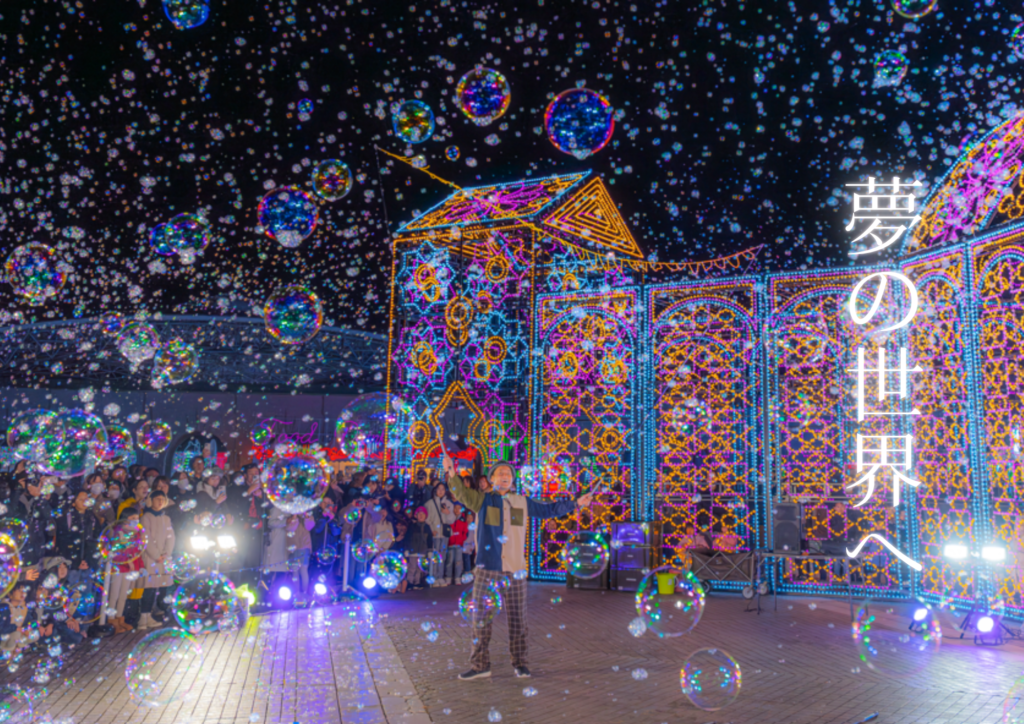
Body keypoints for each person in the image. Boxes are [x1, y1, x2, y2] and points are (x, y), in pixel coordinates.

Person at [444, 454, 593, 680]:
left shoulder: (522, 502)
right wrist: (451, 473)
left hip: (515, 569)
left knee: (518, 619)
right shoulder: (481, 500)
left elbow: (549, 509)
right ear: (491, 478)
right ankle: (480, 665)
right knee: (480, 619)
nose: (504, 476)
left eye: (508, 474)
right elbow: (461, 494)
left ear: (513, 481)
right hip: (487, 568)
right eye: (499, 473)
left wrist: (576, 503)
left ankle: (520, 663)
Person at [139, 491, 175, 630]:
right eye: (157, 499)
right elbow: (145, 538)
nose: (160, 501)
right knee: (149, 588)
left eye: (163, 499)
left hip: (163, 559)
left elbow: (171, 537)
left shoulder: (165, 518)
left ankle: (151, 616)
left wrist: (166, 553)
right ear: (151, 500)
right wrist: (156, 555)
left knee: (158, 588)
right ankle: (143, 617)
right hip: (151, 559)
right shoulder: (146, 517)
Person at [53, 490, 100, 586]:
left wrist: (88, 561)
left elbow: (94, 541)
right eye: (81, 499)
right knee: (70, 591)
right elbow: (63, 542)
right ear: (73, 503)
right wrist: (76, 562)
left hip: (88, 565)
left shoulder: (92, 518)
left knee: (86, 592)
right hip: (71, 564)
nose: (84, 501)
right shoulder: (66, 517)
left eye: (86, 499)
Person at [425, 482, 455, 585]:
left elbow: (452, 520)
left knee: (442, 556)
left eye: (443, 489)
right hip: (435, 534)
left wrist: (448, 513)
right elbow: (426, 520)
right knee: (434, 556)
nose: (441, 491)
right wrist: (431, 530)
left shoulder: (449, 504)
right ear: (435, 490)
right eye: (439, 489)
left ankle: (440, 577)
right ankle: (433, 577)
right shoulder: (429, 503)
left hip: (444, 534)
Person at [286, 511, 316, 604]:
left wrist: (306, 515)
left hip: (304, 547)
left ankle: (304, 593)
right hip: (293, 548)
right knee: (295, 571)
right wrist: (295, 516)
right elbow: (290, 528)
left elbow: (310, 526)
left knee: (303, 570)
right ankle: (297, 594)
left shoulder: (307, 515)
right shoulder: (290, 517)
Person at [404, 507, 433, 592]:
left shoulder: (427, 527)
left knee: (419, 569)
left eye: (422, 514)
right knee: (412, 567)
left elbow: (430, 540)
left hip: (422, 552)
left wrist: (430, 550)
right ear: (416, 516)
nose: (420, 516)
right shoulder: (412, 526)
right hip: (413, 552)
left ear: (425, 516)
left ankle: (417, 582)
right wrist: (407, 549)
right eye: (419, 514)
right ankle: (410, 582)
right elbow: (407, 538)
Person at [446, 504, 467, 585]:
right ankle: (448, 577)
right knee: (449, 561)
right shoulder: (450, 518)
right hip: (450, 543)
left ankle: (457, 577)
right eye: (455, 508)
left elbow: (465, 532)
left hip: (459, 544)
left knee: (458, 562)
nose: (457, 510)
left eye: (459, 508)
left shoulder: (463, 520)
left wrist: (462, 540)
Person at [461, 510, 477, 575]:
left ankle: (467, 570)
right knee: (464, 559)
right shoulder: (464, 525)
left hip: (470, 545)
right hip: (464, 545)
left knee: (467, 558)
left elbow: (473, 538)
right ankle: (466, 570)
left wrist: (472, 546)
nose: (469, 519)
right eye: (468, 518)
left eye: (471, 518)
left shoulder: (474, 527)